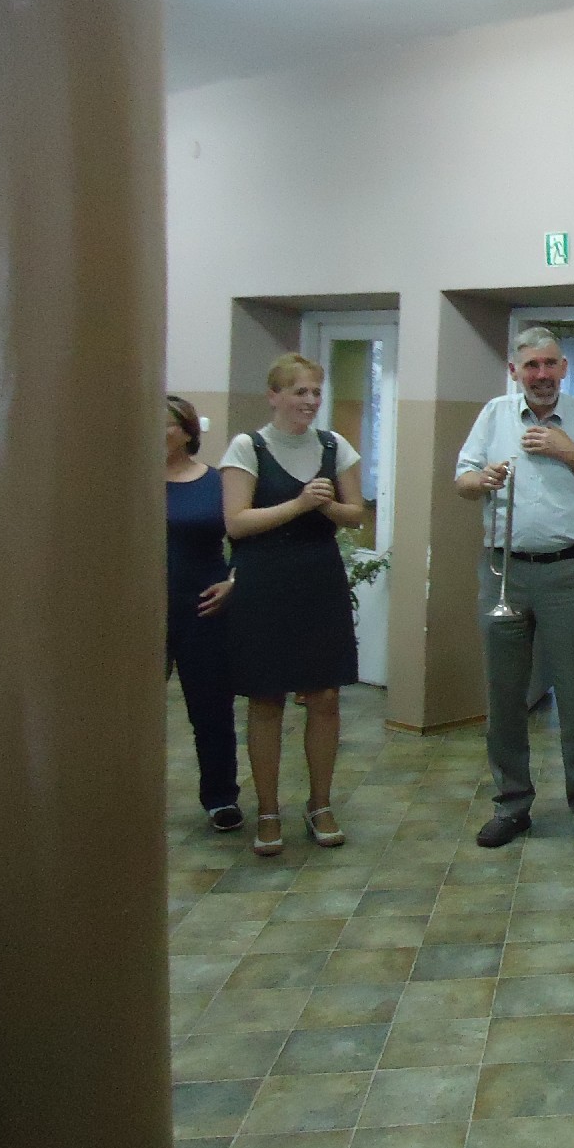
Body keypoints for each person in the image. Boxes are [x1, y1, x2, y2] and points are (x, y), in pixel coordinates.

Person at [455, 326, 574, 850]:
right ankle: (511, 805)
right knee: (504, 695)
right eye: (531, 365)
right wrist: (481, 479)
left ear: (564, 368)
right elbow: (462, 480)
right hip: (503, 572)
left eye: (551, 364)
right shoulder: (493, 416)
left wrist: (570, 452)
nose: (542, 374)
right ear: (515, 371)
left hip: (567, 574)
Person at [221, 354, 366, 856]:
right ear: (274, 396)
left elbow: (355, 515)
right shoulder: (248, 447)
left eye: (316, 392)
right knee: (266, 699)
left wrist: (327, 506)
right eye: (300, 392)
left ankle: (320, 804)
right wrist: (299, 504)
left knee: (324, 697)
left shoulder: (334, 446)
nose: (310, 401)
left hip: (319, 579)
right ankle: (267, 811)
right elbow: (237, 522)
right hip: (264, 581)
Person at [165, 395, 241, 833]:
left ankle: (220, 797)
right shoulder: (131, 483)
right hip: (146, 613)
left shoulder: (215, 482)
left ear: (187, 432)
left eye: (166, 424)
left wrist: (234, 582)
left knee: (211, 709)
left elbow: (245, 541)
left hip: (204, 609)